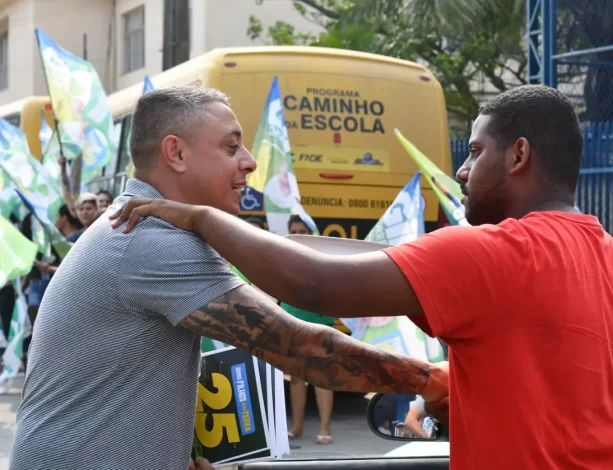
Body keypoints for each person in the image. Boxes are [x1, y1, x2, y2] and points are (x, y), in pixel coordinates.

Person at [111, 85, 613, 470]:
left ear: (518, 155)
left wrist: (205, 219)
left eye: (474, 151)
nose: (463, 171)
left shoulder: (500, 254)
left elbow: (316, 284)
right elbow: (375, 256)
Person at [9, 86, 448, 470]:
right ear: (175, 153)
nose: (251, 162)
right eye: (231, 147)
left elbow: (296, 258)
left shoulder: (146, 225)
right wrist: (436, 380)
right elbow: (306, 350)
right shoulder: (151, 240)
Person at [283, 215, 348, 445]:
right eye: (294, 231)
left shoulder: (323, 257)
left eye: (303, 231)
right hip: (291, 322)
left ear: (312, 233)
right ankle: (297, 427)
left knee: (322, 378)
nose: (299, 235)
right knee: (296, 378)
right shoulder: (283, 255)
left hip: (320, 325)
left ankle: (324, 429)